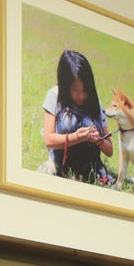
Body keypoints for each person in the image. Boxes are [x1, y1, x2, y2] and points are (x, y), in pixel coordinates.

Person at [39, 50, 114, 185]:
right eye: (76, 90)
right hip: (60, 165)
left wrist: (99, 140)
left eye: (85, 90)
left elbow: (109, 150)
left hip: (91, 169)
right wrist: (76, 137)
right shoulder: (55, 95)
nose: (82, 96)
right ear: (65, 85)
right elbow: (49, 140)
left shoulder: (94, 102)